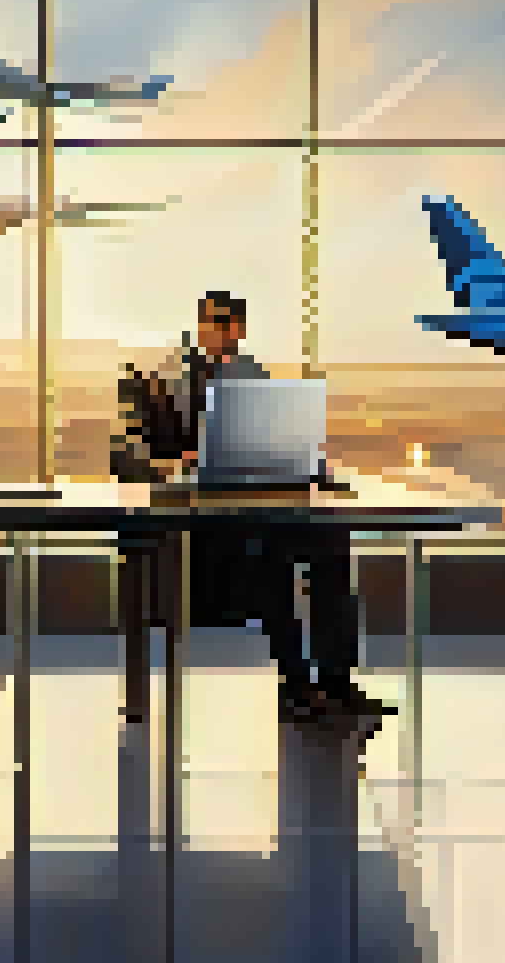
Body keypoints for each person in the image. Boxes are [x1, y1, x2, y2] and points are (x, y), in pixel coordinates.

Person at [112, 291, 391, 725]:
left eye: (233, 328)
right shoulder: (156, 377)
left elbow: (275, 437)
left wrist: (313, 466)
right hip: (191, 522)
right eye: (215, 324)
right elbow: (124, 453)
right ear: (200, 326)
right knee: (272, 557)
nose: (224, 336)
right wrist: (172, 465)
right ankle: (299, 689)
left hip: (247, 507)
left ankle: (337, 685)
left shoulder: (252, 376)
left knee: (332, 540)